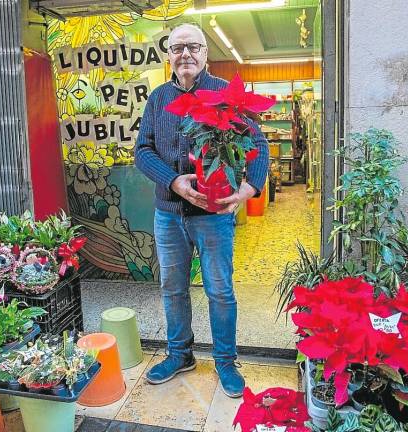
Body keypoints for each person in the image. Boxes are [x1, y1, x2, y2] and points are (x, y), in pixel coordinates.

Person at [134, 23, 269, 398]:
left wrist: (248, 188)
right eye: (177, 48)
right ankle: (180, 354)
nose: (185, 54)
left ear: (205, 53)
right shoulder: (159, 98)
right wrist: (174, 181)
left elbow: (259, 143)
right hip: (168, 215)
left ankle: (225, 360)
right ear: (169, 55)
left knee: (220, 290)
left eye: (193, 46)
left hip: (213, 215)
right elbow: (142, 151)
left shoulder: (225, 94)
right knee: (172, 289)